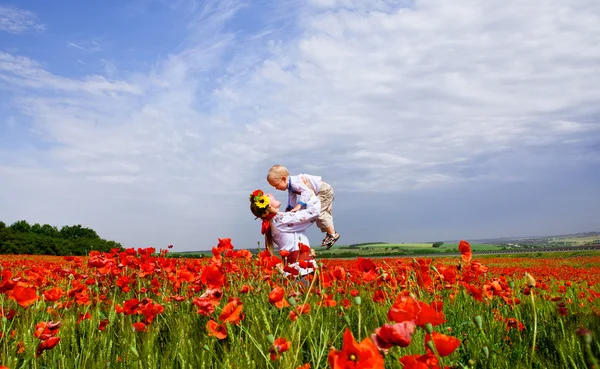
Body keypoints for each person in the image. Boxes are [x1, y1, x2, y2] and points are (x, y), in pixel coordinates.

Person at [249, 185, 319, 277]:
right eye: (267, 196)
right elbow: (314, 213)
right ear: (268, 205)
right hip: (301, 271)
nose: (271, 194)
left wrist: (292, 188)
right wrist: (312, 195)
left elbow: (293, 211)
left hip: (296, 270)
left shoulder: (276, 220)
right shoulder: (280, 220)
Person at [267, 164, 340, 249]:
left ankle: (332, 234)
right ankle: (330, 233)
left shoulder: (295, 182)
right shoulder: (291, 187)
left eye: (276, 185)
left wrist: (299, 205)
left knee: (320, 213)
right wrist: (289, 211)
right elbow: (291, 199)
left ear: (283, 179)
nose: (276, 188)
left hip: (323, 191)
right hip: (321, 190)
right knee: (322, 212)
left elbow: (306, 192)